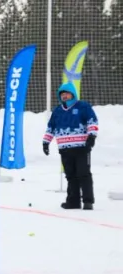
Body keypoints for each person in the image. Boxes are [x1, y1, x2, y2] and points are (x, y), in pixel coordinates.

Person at [43, 82, 98, 210]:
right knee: (70, 175)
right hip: (64, 149)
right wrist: (46, 142)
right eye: (62, 94)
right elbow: (51, 127)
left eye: (67, 93)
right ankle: (73, 201)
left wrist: (92, 136)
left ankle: (88, 201)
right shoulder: (57, 111)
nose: (64, 96)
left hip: (81, 147)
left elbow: (92, 121)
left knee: (83, 173)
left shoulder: (83, 106)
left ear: (73, 94)